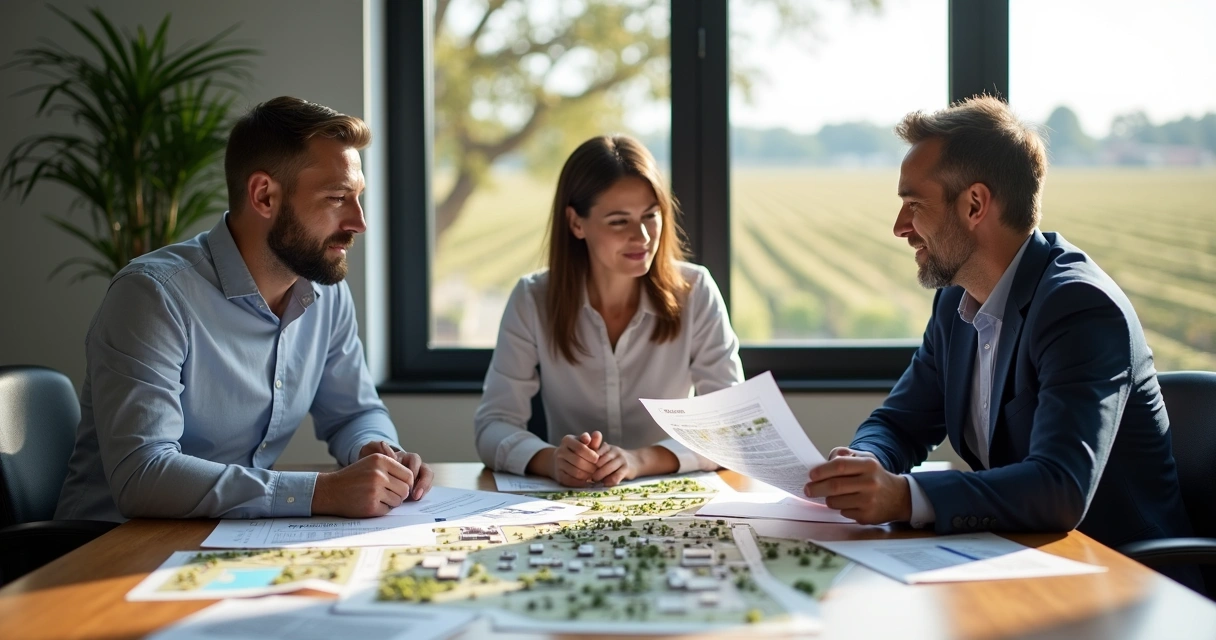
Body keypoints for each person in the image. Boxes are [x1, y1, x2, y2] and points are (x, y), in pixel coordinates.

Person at [804, 96, 1194, 553]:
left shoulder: (1080, 306)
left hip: (1126, 585)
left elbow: (1059, 486)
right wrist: (865, 460)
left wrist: (904, 497)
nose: (899, 227)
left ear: (974, 205)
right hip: (1021, 560)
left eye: (914, 204)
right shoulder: (955, 303)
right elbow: (900, 423)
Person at [55, 97, 432, 522]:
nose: (359, 221)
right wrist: (320, 492)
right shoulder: (152, 296)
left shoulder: (325, 295)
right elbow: (142, 474)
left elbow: (354, 413)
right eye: (336, 198)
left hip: (224, 541)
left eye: (358, 197)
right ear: (264, 195)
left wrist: (377, 451)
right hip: (106, 552)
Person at [475, 135, 743, 487]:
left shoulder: (696, 291)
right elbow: (493, 425)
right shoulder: (532, 298)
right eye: (619, 221)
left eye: (651, 215)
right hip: (571, 501)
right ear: (576, 223)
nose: (643, 236)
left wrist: (639, 459)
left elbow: (730, 427)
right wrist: (552, 460)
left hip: (672, 500)